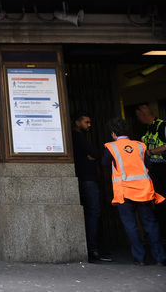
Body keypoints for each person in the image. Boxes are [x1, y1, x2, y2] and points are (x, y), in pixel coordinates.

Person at [101, 117, 165, 266]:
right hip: (144, 191)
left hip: (124, 193)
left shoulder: (111, 147)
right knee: (150, 225)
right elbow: (149, 164)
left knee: (131, 226)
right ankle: (160, 258)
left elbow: (104, 163)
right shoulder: (140, 146)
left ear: (113, 134)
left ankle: (140, 258)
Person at [71, 112, 112, 262]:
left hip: (86, 177)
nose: (89, 125)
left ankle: (93, 247)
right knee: (93, 212)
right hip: (87, 178)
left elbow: (95, 154)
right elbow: (95, 152)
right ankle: (93, 249)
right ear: (77, 123)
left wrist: (94, 155)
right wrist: (94, 155)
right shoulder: (77, 136)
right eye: (86, 122)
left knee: (92, 212)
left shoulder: (79, 137)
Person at [135, 104, 166, 237]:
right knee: (159, 204)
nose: (138, 119)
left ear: (143, 114)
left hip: (163, 169)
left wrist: (149, 152)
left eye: (138, 116)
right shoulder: (147, 129)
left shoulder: (162, 126)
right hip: (153, 171)